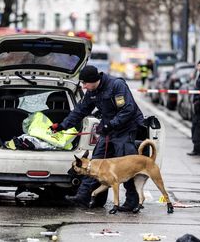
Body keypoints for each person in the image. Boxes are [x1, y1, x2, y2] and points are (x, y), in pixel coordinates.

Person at [50, 65, 144, 211]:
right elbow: (80, 111)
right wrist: (62, 126)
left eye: (85, 83)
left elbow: (128, 109)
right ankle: (83, 197)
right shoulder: (92, 91)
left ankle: (131, 201)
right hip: (108, 131)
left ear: (94, 80)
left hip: (125, 130)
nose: (84, 86)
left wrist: (110, 125)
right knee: (93, 165)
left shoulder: (116, 85)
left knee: (126, 167)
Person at [187, 59, 200, 156]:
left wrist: (198, 100)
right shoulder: (199, 75)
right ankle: (197, 149)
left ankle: (197, 150)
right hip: (199, 107)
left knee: (197, 127)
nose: (199, 67)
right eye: (198, 65)